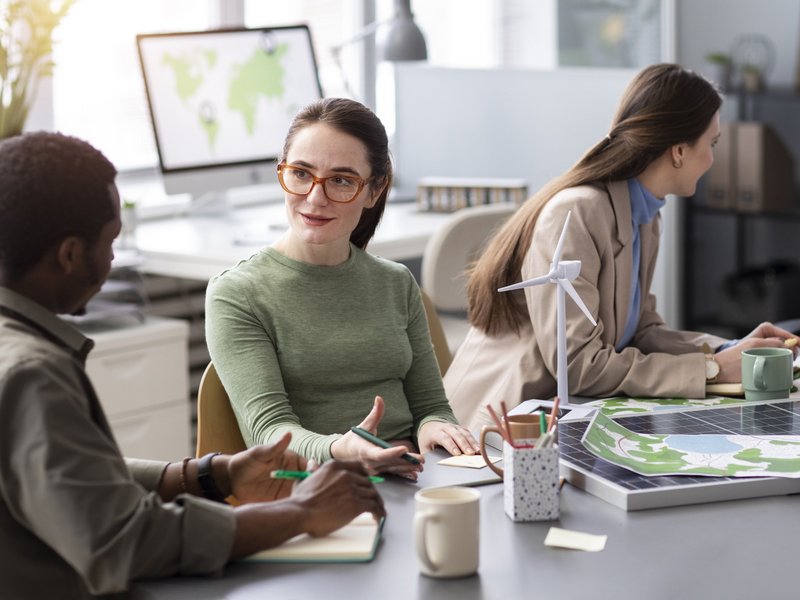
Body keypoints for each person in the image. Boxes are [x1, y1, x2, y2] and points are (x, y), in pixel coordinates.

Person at [0, 131, 385, 599]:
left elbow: (76, 478)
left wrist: (211, 475)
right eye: (111, 241)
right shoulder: (32, 374)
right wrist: (299, 512)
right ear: (70, 255)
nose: (114, 257)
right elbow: (125, 542)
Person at [444, 63, 800, 430]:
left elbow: (642, 331)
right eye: (711, 144)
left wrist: (729, 351)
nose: (712, 159)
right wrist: (709, 372)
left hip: (565, 417)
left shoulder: (645, 215)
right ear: (678, 151)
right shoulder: (579, 212)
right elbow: (578, 366)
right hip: (503, 426)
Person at [206, 98, 478, 480]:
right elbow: (268, 433)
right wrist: (341, 449)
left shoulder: (395, 283)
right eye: (301, 173)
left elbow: (431, 405)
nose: (315, 198)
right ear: (280, 172)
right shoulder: (238, 294)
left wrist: (433, 426)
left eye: (341, 180)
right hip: (314, 487)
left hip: (411, 477)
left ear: (374, 190)